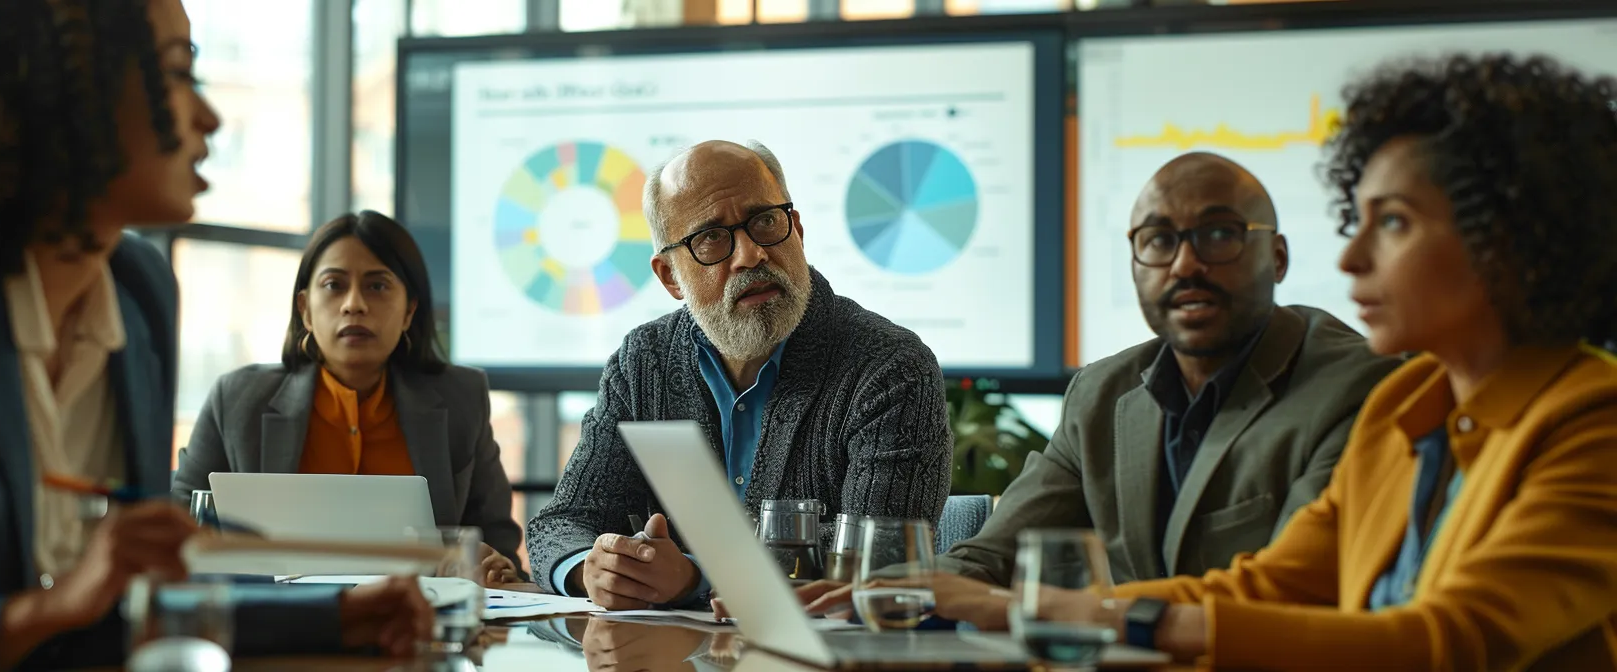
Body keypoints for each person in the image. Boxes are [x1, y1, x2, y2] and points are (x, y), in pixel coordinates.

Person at [918, 53, 1617, 670]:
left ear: (1508, 238)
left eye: (1394, 222)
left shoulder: (1593, 423)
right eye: (1359, 221)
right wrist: (1015, 606)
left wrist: (1082, 614)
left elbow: (1446, 641)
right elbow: (1262, 586)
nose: (1350, 258)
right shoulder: (1406, 413)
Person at [0, 1, 431, 668]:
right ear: (67, 94)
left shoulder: (138, 294)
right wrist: (44, 614)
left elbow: (125, 609)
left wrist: (337, 617)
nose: (209, 118)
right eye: (177, 74)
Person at [926, 152, 1395, 589]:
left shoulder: (1359, 387)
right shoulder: (1099, 394)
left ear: (1277, 258)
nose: (1185, 264)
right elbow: (990, 559)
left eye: (1218, 235)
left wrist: (1090, 614)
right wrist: (888, 594)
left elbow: (1288, 589)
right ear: (1135, 264)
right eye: (1159, 241)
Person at [526, 140, 953, 609]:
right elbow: (560, 524)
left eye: (765, 221)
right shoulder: (643, 361)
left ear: (798, 230)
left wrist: (698, 576)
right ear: (670, 276)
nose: (750, 255)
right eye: (710, 237)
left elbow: (881, 556)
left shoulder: (890, 366)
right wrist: (592, 568)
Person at [172, 210, 523, 583]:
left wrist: (491, 566)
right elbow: (180, 527)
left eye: (377, 286)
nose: (353, 304)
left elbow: (498, 543)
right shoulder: (237, 399)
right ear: (305, 310)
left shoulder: (461, 399)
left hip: (419, 623)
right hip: (277, 623)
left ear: (409, 311)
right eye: (334, 285)